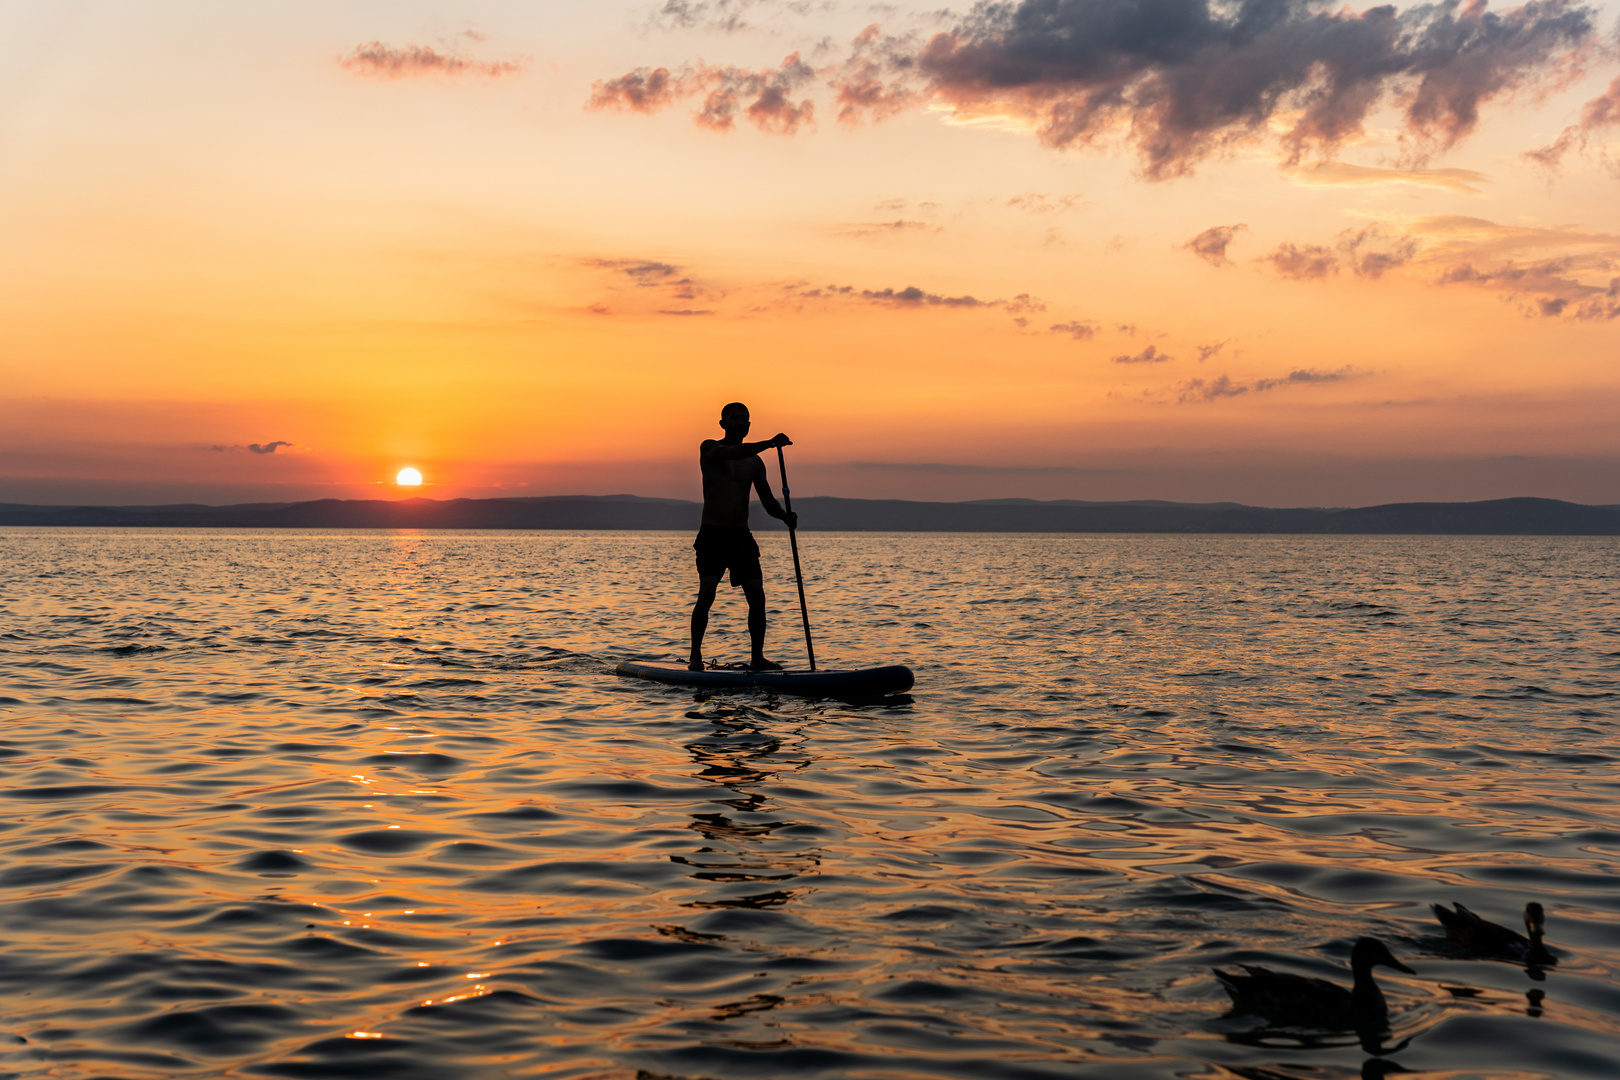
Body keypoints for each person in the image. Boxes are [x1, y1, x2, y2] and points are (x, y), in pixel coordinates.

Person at [689, 402, 797, 671]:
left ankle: (757, 658)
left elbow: (768, 500)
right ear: (722, 423)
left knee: (757, 596)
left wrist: (784, 516)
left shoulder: (755, 463)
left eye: (744, 419)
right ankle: (695, 656)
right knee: (708, 591)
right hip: (713, 534)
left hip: (741, 537)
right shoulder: (710, 448)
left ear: (749, 425)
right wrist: (770, 443)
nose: (739, 422)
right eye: (733, 418)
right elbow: (735, 451)